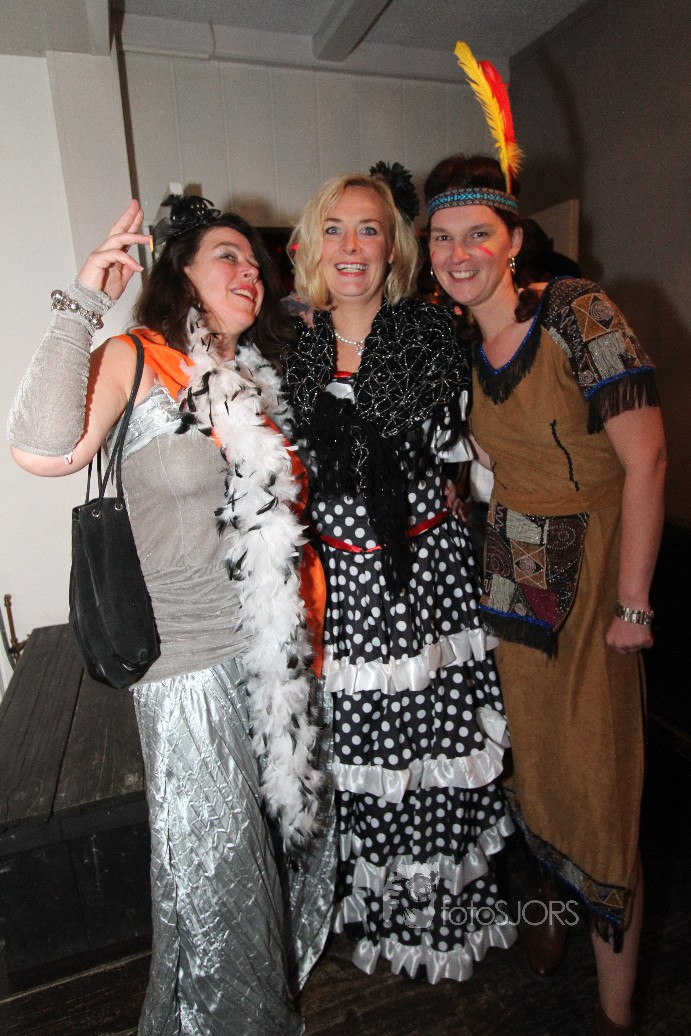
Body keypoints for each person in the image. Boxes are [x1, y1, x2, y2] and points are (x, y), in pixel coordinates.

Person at [8, 196, 335, 1035]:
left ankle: (260, 1005)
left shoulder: (255, 380)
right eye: (228, 256)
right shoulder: (137, 358)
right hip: (185, 666)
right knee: (217, 875)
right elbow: (41, 450)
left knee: (282, 858)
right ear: (180, 274)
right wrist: (84, 297)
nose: (249, 272)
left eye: (256, 262)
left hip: (270, 658)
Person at [425, 153, 666, 1035]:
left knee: (599, 782)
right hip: (515, 568)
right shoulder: (459, 341)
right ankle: (549, 913)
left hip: (597, 567)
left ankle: (614, 1011)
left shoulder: (577, 309)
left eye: (476, 234)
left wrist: (632, 605)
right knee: (531, 768)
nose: (458, 254)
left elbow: (646, 458)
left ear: (512, 239)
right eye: (442, 238)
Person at [283, 171, 516, 984]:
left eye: (369, 229)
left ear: (393, 248)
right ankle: (381, 913)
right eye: (335, 229)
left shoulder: (431, 335)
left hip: (426, 581)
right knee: (367, 760)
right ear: (314, 246)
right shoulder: (293, 350)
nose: (351, 246)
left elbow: (481, 450)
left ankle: (446, 917)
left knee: (435, 747)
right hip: (342, 593)